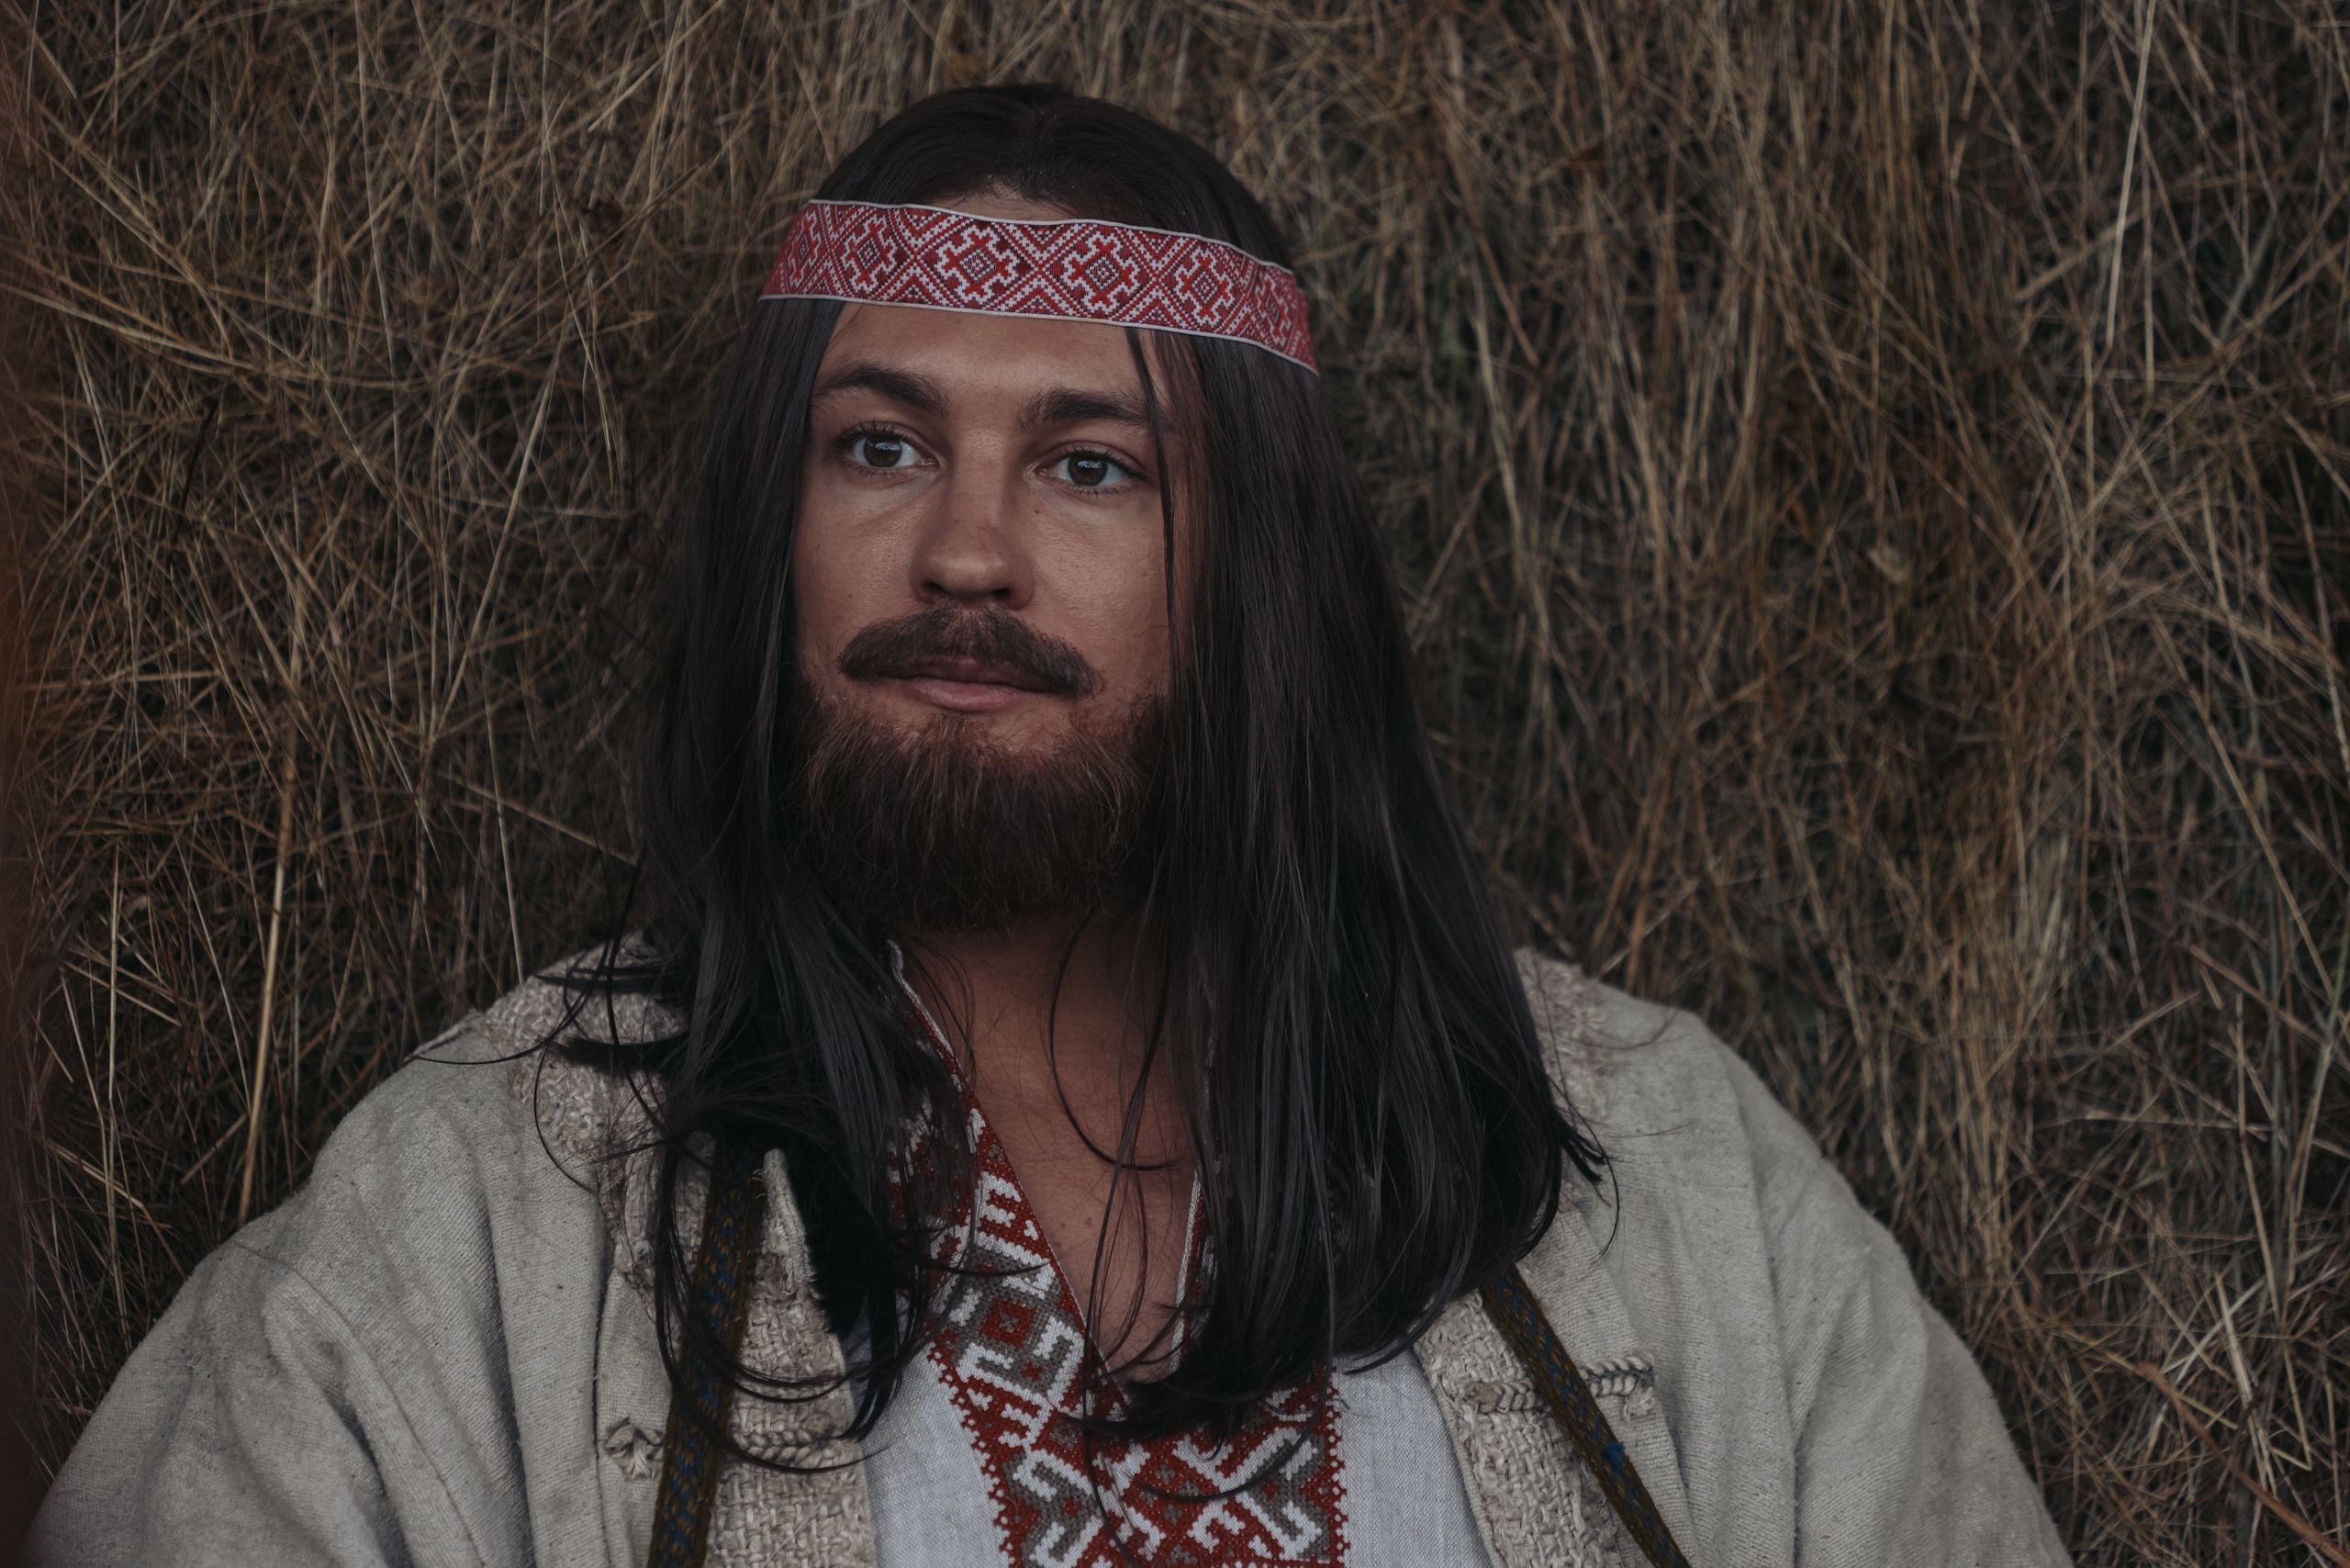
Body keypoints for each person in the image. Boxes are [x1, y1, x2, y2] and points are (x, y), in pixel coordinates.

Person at [29, 86, 2072, 1568]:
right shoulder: (494, 1206)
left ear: (1255, 572)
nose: (966, 547)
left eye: (1092, 465)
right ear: (774, 535)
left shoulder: (1651, 1175)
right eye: (879, 444)